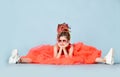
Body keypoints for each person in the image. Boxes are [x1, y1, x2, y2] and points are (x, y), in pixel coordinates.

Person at [9, 23, 114, 65]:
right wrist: (60, 48)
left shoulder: (71, 46)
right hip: (54, 55)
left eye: (64, 41)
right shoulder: (55, 47)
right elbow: (56, 59)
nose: (62, 43)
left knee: (87, 57)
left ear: (68, 41)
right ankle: (18, 59)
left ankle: (106, 59)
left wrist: (64, 49)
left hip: (71, 55)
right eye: (60, 41)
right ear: (57, 40)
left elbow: (69, 58)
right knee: (36, 57)